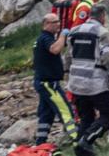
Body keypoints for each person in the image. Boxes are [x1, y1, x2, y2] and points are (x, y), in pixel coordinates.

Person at [66, 4, 109, 156]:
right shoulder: (101, 32)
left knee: (86, 117)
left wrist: (67, 75)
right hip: (95, 83)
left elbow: (68, 57)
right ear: (102, 16)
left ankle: (80, 150)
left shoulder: (74, 31)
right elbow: (108, 57)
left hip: (76, 83)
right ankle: (87, 141)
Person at [32, 13, 77, 146]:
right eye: (54, 22)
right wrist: (63, 35)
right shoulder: (45, 38)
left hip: (43, 82)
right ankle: (77, 140)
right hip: (49, 84)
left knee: (46, 114)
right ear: (46, 24)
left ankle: (40, 143)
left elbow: (57, 46)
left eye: (58, 21)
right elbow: (55, 49)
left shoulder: (46, 38)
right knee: (66, 111)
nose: (58, 24)